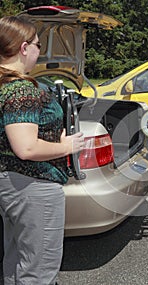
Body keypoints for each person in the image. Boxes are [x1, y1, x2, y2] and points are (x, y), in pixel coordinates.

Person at [0, 16, 84, 285]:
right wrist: (66, 145)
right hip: (33, 185)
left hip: (12, 183)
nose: (39, 50)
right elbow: (25, 147)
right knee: (39, 269)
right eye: (37, 44)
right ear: (24, 48)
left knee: (16, 260)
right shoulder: (20, 89)